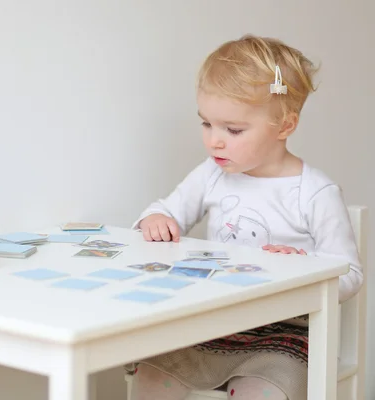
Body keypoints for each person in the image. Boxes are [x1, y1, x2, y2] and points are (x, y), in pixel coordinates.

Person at [128, 34, 363, 400]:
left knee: (261, 391)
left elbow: (350, 274)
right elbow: (166, 209)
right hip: (215, 323)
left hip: (286, 337)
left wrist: (307, 268)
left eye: (233, 130)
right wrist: (155, 219)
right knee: (152, 370)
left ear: (285, 126)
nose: (214, 141)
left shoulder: (315, 193)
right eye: (207, 124)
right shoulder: (212, 173)